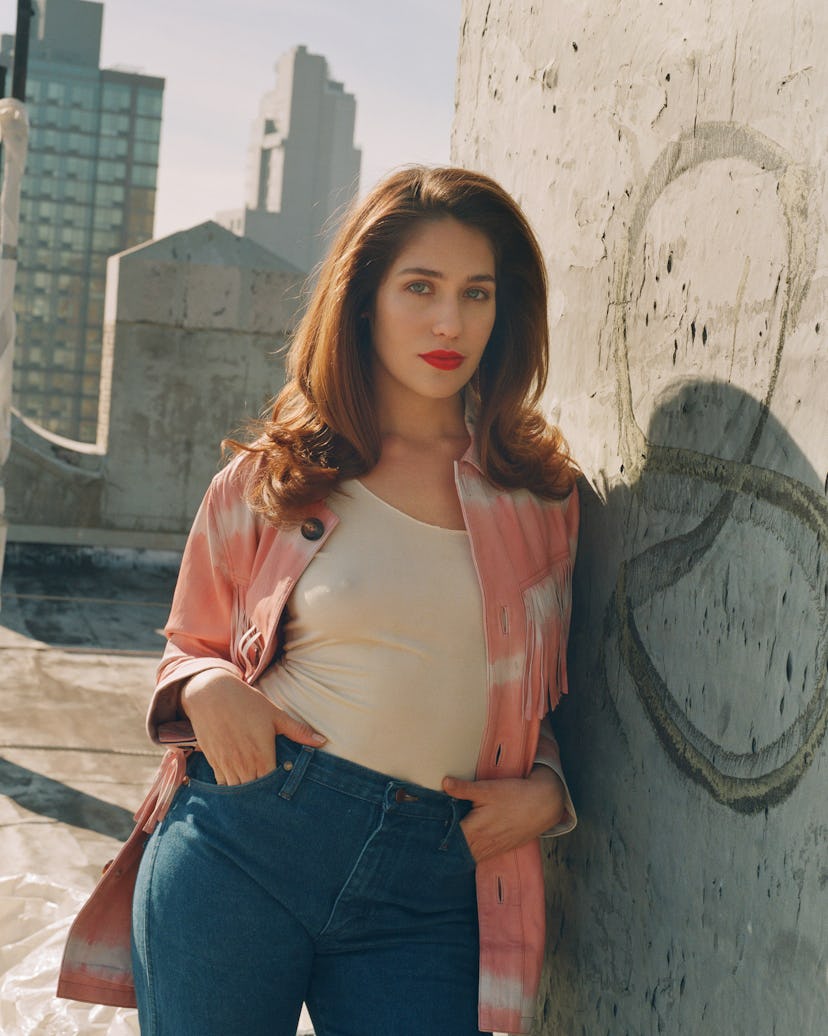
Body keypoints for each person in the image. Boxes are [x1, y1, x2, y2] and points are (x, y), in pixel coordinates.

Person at [130, 166, 579, 1036]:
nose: (450, 322)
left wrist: (551, 790)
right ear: (364, 298)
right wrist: (203, 687)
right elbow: (189, 644)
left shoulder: (544, 503)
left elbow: (543, 699)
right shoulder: (272, 479)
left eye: (476, 293)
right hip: (247, 837)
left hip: (433, 881)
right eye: (421, 287)